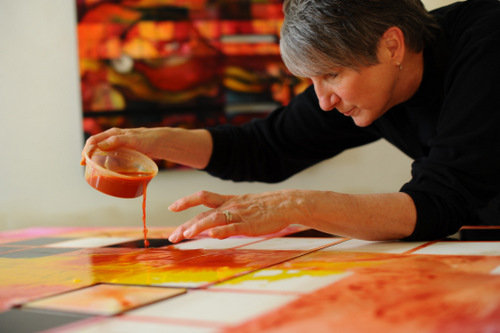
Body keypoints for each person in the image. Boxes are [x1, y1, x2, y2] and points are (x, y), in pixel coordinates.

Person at [82, 0, 500, 242]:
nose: (321, 100)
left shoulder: (487, 46)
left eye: (332, 74)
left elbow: (441, 199)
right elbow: (268, 146)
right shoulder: (371, 80)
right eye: (312, 80)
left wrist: (298, 206)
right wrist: (157, 142)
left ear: (392, 45)